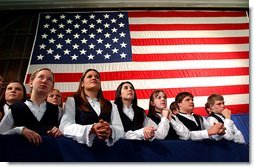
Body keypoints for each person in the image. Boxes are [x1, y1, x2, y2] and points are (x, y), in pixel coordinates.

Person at [59, 69, 124, 147]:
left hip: (106, 150)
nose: (94, 78)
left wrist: (110, 131)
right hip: (81, 149)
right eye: (89, 76)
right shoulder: (72, 101)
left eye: (97, 77)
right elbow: (65, 126)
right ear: (82, 83)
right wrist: (90, 129)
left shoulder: (111, 105)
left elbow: (120, 129)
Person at [0, 68, 62, 145]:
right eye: (41, 77)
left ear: (51, 87)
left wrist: (60, 131)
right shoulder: (15, 108)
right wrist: (19, 130)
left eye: (49, 79)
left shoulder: (58, 111)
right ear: (31, 83)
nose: (44, 81)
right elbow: (1, 134)